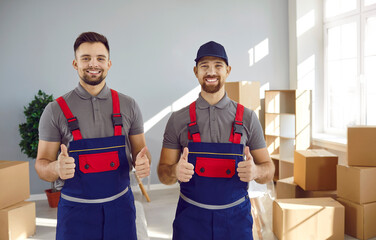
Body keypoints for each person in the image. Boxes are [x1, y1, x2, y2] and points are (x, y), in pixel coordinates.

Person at [35, 32, 151, 240]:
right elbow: (41, 165)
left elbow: (141, 153)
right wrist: (55, 168)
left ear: (109, 64)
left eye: (100, 58)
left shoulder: (129, 105)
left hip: (121, 212)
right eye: (86, 58)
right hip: (76, 215)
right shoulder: (55, 111)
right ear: (75, 63)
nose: (93, 64)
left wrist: (143, 163)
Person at [157, 41, 275, 240]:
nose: (211, 72)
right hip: (191, 222)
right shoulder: (178, 120)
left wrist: (256, 171)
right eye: (204, 66)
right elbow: (163, 174)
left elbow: (269, 169)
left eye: (218, 66)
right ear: (196, 71)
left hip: (236, 222)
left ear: (228, 70)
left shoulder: (247, 118)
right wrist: (174, 171)